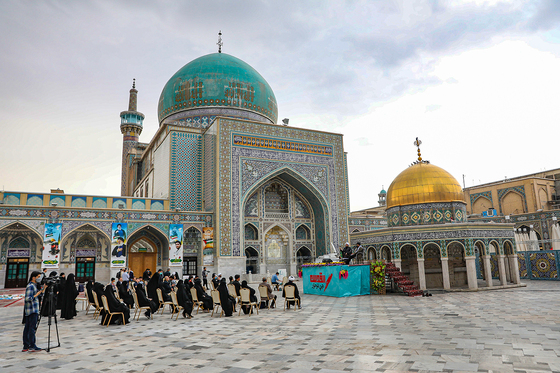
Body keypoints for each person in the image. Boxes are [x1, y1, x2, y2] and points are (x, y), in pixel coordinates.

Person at [23, 271, 45, 352]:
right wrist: (38, 293)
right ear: (33, 277)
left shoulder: (34, 286)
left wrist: (44, 288)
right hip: (32, 309)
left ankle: (26, 345)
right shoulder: (30, 286)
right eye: (38, 276)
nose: (39, 278)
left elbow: (38, 295)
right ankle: (32, 345)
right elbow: (28, 298)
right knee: (31, 328)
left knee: (28, 327)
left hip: (33, 309)